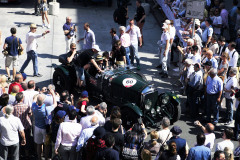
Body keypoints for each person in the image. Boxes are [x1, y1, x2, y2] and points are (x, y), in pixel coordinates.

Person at [32, 89, 57, 160]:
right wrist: (53, 94)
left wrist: (40, 93)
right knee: (46, 145)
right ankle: (46, 158)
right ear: (43, 101)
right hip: (45, 129)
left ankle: (39, 158)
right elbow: (55, 104)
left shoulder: (34, 106)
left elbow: (34, 99)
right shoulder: (46, 109)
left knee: (39, 144)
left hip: (37, 127)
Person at [13, 92, 32, 158]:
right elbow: (30, 114)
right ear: (22, 99)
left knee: (18, 140)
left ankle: (19, 154)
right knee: (27, 140)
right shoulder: (26, 106)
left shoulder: (13, 107)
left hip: (17, 127)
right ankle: (27, 155)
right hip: (26, 126)